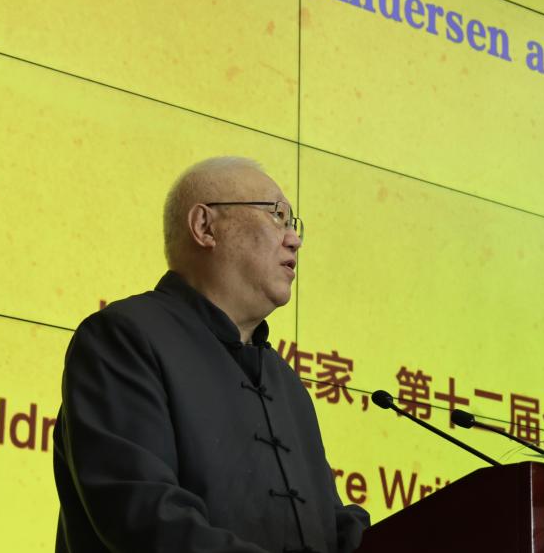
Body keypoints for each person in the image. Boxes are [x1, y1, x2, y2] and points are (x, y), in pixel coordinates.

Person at [53, 157, 369, 553]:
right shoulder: (124, 338)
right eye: (277, 215)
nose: (294, 239)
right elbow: (144, 517)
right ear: (205, 226)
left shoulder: (286, 382)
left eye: (293, 224)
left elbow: (326, 521)